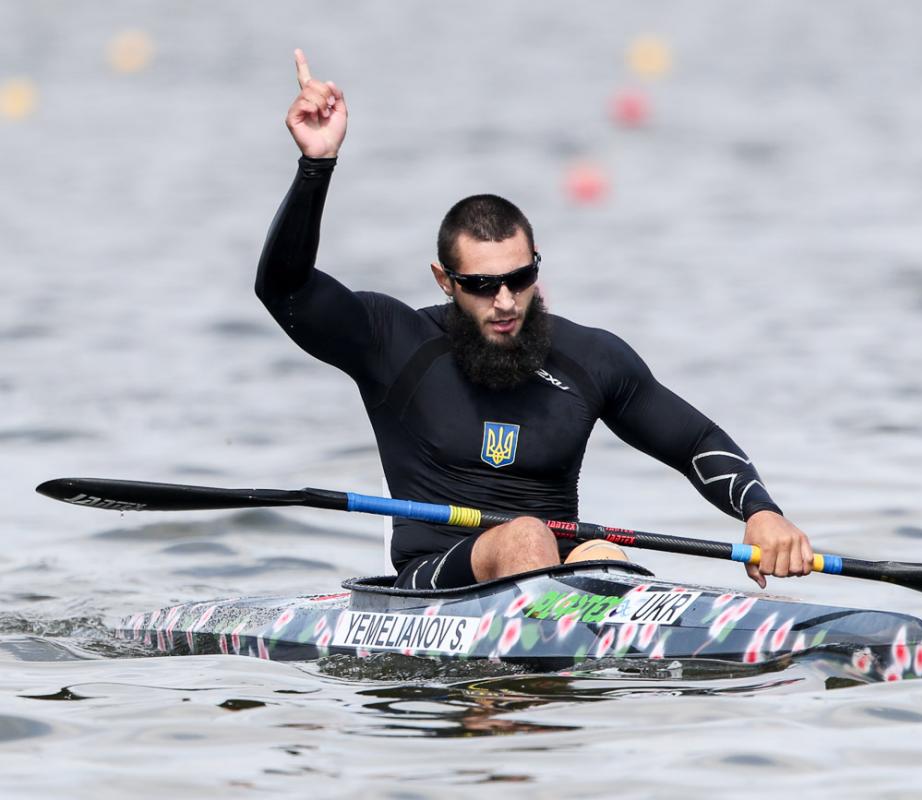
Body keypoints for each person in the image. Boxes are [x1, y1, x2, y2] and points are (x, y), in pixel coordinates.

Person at [256, 50, 813, 590]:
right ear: (443, 280)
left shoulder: (591, 358)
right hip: (432, 582)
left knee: (602, 555)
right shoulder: (391, 339)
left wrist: (762, 513)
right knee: (525, 536)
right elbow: (283, 288)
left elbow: (695, 441)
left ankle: (575, 665)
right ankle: (544, 672)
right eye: (480, 285)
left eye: (519, 279)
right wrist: (316, 165)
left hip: (559, 573)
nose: (504, 300)